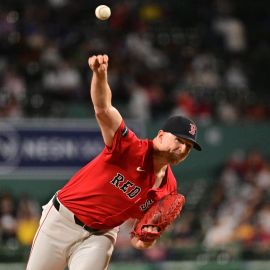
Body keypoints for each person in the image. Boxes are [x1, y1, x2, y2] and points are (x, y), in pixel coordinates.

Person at [26, 54, 202, 270]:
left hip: (100, 236)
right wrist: (100, 75)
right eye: (179, 140)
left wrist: (148, 238)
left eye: (188, 146)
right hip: (61, 221)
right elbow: (104, 109)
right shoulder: (130, 148)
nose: (182, 148)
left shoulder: (169, 189)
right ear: (161, 135)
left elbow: (139, 241)